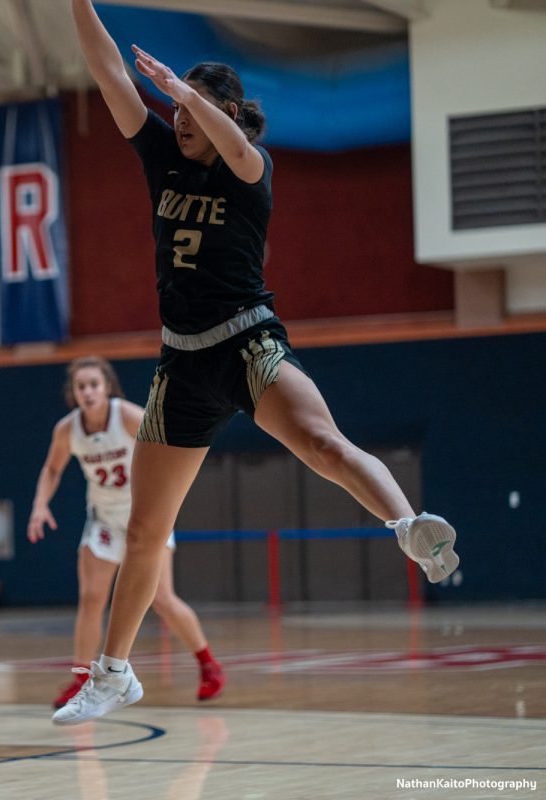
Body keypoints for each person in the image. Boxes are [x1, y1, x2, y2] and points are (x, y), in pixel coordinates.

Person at [55, 0, 460, 726]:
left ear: (232, 113)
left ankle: (410, 527)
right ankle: (113, 674)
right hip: (180, 365)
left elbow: (228, 140)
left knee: (322, 443)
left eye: (200, 106)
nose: (180, 117)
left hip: (247, 343)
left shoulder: (251, 167)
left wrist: (183, 93)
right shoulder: (160, 154)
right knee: (144, 532)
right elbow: (109, 71)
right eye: (179, 105)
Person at [28, 356, 224, 708]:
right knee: (91, 600)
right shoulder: (67, 429)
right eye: (81, 386)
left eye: (93, 385)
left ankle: (209, 665)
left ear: (106, 388)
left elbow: (167, 447)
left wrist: (167, 495)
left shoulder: (129, 416)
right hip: (103, 520)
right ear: (73, 393)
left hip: (145, 516)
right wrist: (40, 505)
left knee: (162, 600)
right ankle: (82, 680)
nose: (87, 392)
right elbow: (52, 469)